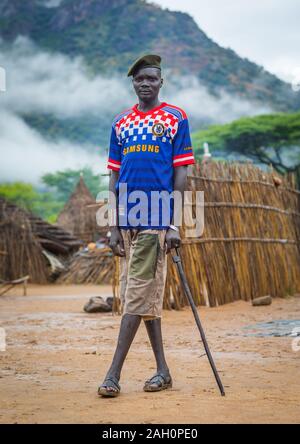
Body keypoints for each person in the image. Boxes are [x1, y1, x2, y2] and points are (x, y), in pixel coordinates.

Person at [98, 54, 195, 397]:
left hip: (156, 221)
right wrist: (112, 227)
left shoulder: (174, 118)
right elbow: (113, 176)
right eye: (140, 79)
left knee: (136, 297)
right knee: (141, 297)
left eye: (152, 78)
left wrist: (173, 223)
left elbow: (181, 173)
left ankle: (112, 374)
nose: (145, 83)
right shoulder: (121, 123)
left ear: (160, 82)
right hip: (127, 222)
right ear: (133, 83)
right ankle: (163, 372)